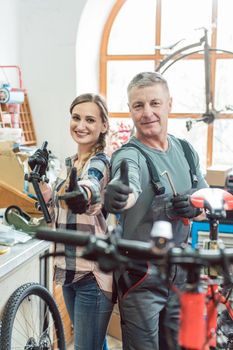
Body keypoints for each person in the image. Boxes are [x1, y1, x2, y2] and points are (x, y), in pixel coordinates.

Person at [104, 71, 208, 350]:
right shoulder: (129, 154)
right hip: (141, 275)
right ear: (130, 110)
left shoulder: (186, 151)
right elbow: (127, 183)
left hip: (181, 273)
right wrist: (120, 194)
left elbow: (207, 203)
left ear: (169, 104)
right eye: (138, 105)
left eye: (154, 103)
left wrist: (196, 206)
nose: (147, 112)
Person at [28, 93, 114, 350]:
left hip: (91, 273)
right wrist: (38, 177)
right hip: (69, 269)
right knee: (94, 343)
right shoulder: (73, 163)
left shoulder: (99, 163)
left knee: (86, 347)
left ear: (103, 126)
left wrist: (83, 193)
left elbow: (90, 187)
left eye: (90, 119)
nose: (81, 125)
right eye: (76, 118)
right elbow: (57, 210)